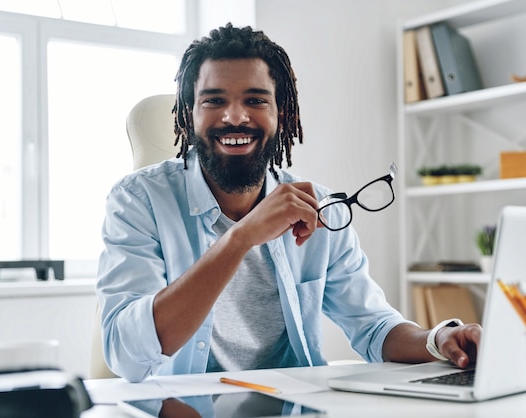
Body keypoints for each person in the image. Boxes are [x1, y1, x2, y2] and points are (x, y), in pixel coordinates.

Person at [96, 23, 481, 383]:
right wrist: (241, 237)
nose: (235, 116)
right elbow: (127, 355)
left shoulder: (320, 208)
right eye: (214, 100)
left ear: (282, 114)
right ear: (189, 114)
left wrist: (437, 340)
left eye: (255, 99)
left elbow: (373, 327)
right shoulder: (138, 200)